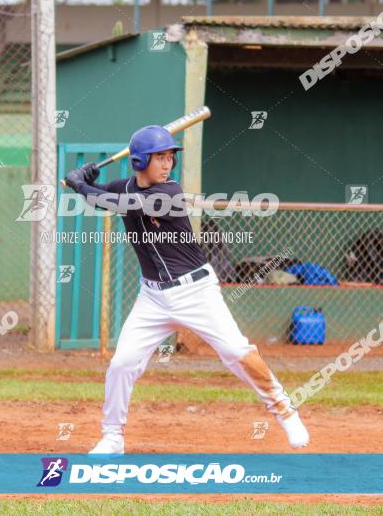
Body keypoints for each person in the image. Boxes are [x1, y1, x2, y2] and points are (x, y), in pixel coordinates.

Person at [63, 125, 309, 455]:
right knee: (123, 363)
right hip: (152, 297)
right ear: (138, 161)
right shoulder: (125, 187)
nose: (167, 164)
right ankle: (112, 437)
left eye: (169, 157)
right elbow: (102, 196)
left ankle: (284, 410)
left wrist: (80, 184)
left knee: (236, 352)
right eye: (159, 157)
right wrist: (86, 178)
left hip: (195, 292)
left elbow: (111, 202)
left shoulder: (169, 193)